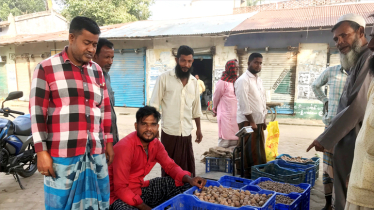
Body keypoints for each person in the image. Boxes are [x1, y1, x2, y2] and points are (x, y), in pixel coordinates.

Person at [29, 16, 114, 210]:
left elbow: (104, 108)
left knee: (100, 202)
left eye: (94, 44)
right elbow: (37, 113)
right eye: (87, 43)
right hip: (62, 155)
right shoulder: (45, 68)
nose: (92, 49)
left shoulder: (97, 71)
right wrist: (41, 152)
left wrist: (108, 142)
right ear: (71, 38)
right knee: (60, 205)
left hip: (95, 152)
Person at [306, 14, 371, 210]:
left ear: (361, 32)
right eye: (336, 38)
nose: (339, 42)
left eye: (344, 35)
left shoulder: (368, 58)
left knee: (350, 194)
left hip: (358, 138)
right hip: (348, 139)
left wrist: (326, 138)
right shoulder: (357, 61)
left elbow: (357, 106)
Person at [109, 106, 207, 210]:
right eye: (144, 124)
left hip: (139, 189)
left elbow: (170, 166)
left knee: (184, 185)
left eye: (153, 125)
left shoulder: (155, 144)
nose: (149, 129)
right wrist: (146, 208)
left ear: (157, 127)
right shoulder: (125, 147)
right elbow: (121, 188)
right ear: (136, 126)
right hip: (118, 197)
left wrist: (190, 179)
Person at [149, 45, 203, 177]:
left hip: (186, 133)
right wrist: (154, 129)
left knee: (187, 168)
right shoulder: (164, 78)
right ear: (177, 60)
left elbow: (196, 108)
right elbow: (154, 105)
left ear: (192, 62)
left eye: (189, 61)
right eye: (183, 60)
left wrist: (199, 129)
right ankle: (169, 196)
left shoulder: (194, 83)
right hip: (169, 133)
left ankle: (184, 194)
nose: (186, 64)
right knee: (169, 169)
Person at [345, 24, 374, 210]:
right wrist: (356, 171)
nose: (371, 45)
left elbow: (355, 109)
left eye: (343, 36)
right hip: (361, 182)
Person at [311, 64, 347, 210]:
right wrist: (325, 100)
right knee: (327, 167)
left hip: (350, 128)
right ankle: (327, 204)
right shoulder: (332, 71)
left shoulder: (360, 72)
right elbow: (315, 85)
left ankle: (341, 202)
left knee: (344, 168)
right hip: (331, 127)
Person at [234, 53, 267, 178]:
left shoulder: (259, 80)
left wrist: (263, 118)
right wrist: (252, 121)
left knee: (258, 150)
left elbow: (263, 100)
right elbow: (244, 103)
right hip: (248, 121)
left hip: (258, 121)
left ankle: (257, 172)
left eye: (260, 63)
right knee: (248, 150)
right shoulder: (242, 80)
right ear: (248, 63)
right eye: (256, 62)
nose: (258, 65)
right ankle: (245, 174)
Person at [93, 38, 119, 144]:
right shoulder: (89, 79)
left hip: (111, 137)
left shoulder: (107, 77)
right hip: (98, 140)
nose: (110, 62)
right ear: (95, 56)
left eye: (112, 57)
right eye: (107, 57)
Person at [212, 59, 239, 149]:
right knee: (225, 138)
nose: (236, 70)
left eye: (237, 68)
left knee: (236, 138)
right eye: (234, 68)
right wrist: (214, 108)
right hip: (225, 114)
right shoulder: (222, 82)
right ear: (229, 68)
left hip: (236, 115)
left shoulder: (237, 81)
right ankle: (222, 159)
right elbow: (216, 97)